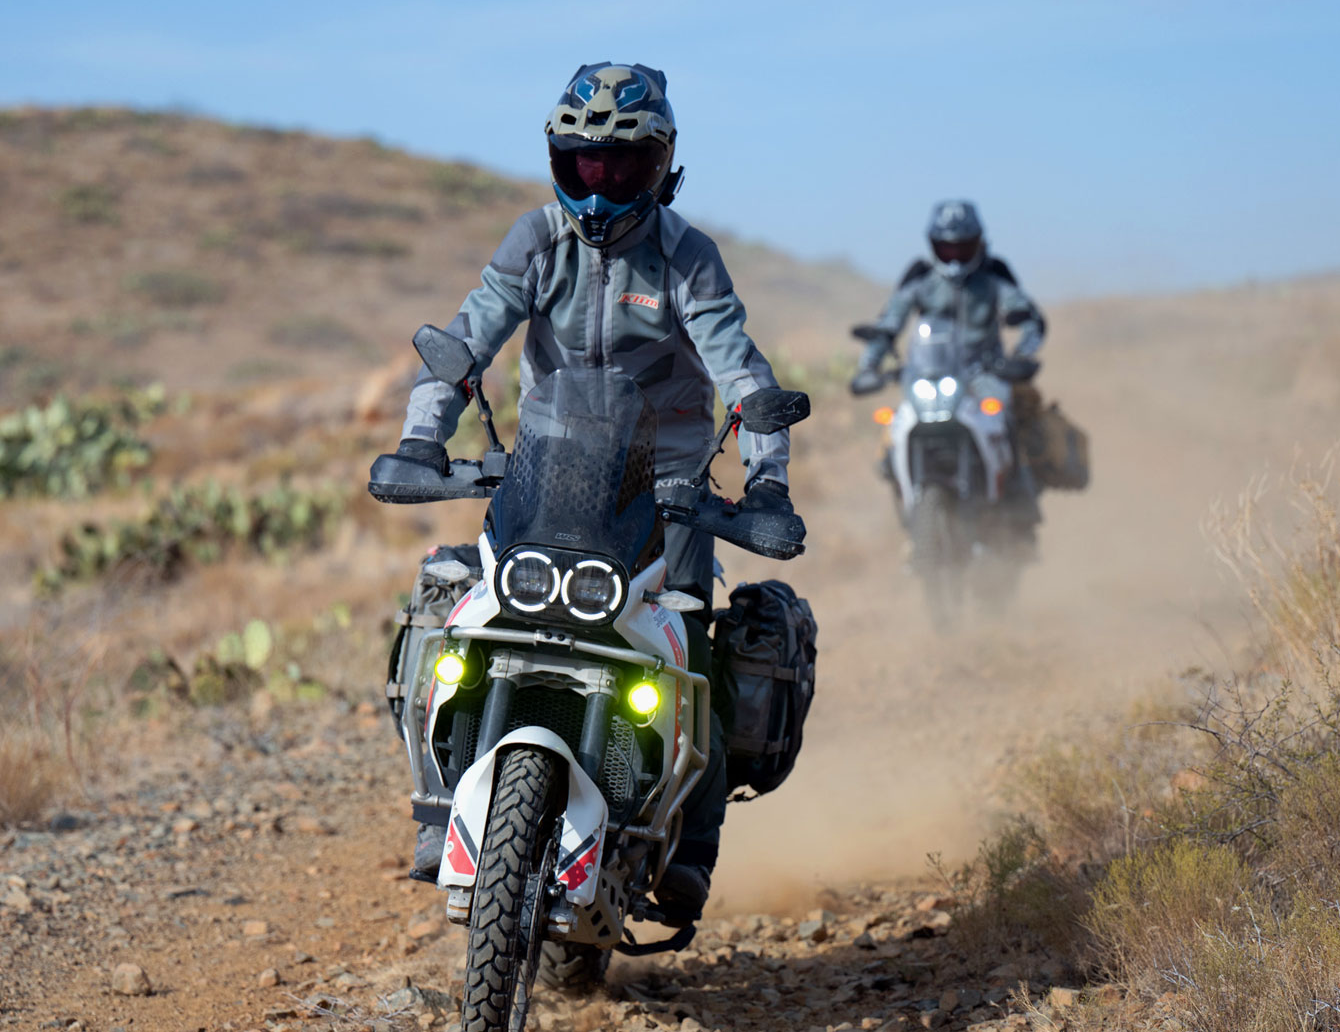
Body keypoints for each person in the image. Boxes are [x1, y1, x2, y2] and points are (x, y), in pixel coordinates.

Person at [388, 62, 795, 925]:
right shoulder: (535, 242)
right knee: (456, 614)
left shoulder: (688, 258)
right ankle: (438, 804)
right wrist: (423, 437)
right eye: (584, 165)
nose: (601, 188)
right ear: (558, 163)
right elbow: (467, 341)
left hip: (668, 489)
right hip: (549, 473)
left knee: (689, 650)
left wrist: (767, 477)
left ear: (662, 165)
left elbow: (740, 370)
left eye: (623, 168)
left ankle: (691, 846)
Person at [850, 200, 1046, 394]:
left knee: (1027, 412)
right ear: (933, 245)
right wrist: (869, 366)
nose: (954, 257)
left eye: (963, 248)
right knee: (896, 422)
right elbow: (888, 324)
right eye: (947, 249)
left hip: (988, 377)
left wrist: (1020, 356)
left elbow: (1031, 320)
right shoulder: (921, 276)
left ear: (978, 242)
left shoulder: (994, 274)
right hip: (927, 379)